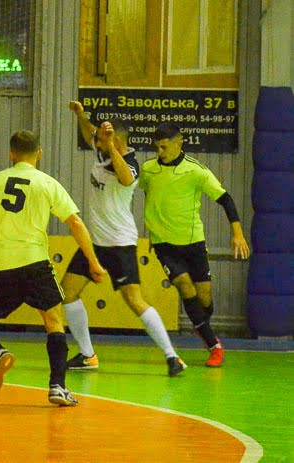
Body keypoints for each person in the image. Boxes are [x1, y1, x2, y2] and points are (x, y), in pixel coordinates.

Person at [0, 130, 106, 406]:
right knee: (53, 321)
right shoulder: (47, 183)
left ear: (11, 153)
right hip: (34, 263)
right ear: (39, 153)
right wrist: (93, 261)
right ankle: (57, 387)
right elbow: (75, 223)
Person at [63, 102, 186, 377]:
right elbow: (88, 133)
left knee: (134, 300)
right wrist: (80, 114)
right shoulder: (101, 149)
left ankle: (172, 357)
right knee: (68, 292)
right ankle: (87, 355)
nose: (94, 141)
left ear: (116, 141)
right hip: (94, 243)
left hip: (120, 243)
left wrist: (110, 146)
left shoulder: (129, 163)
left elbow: (126, 180)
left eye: (103, 139)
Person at [139, 123, 250, 367]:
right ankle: (214, 346)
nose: (160, 152)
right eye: (157, 148)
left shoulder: (196, 171)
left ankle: (203, 326)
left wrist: (237, 234)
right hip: (164, 244)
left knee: (204, 295)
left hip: (193, 243)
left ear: (180, 143)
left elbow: (226, 199)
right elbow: (133, 190)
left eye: (164, 147)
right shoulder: (148, 170)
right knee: (184, 286)